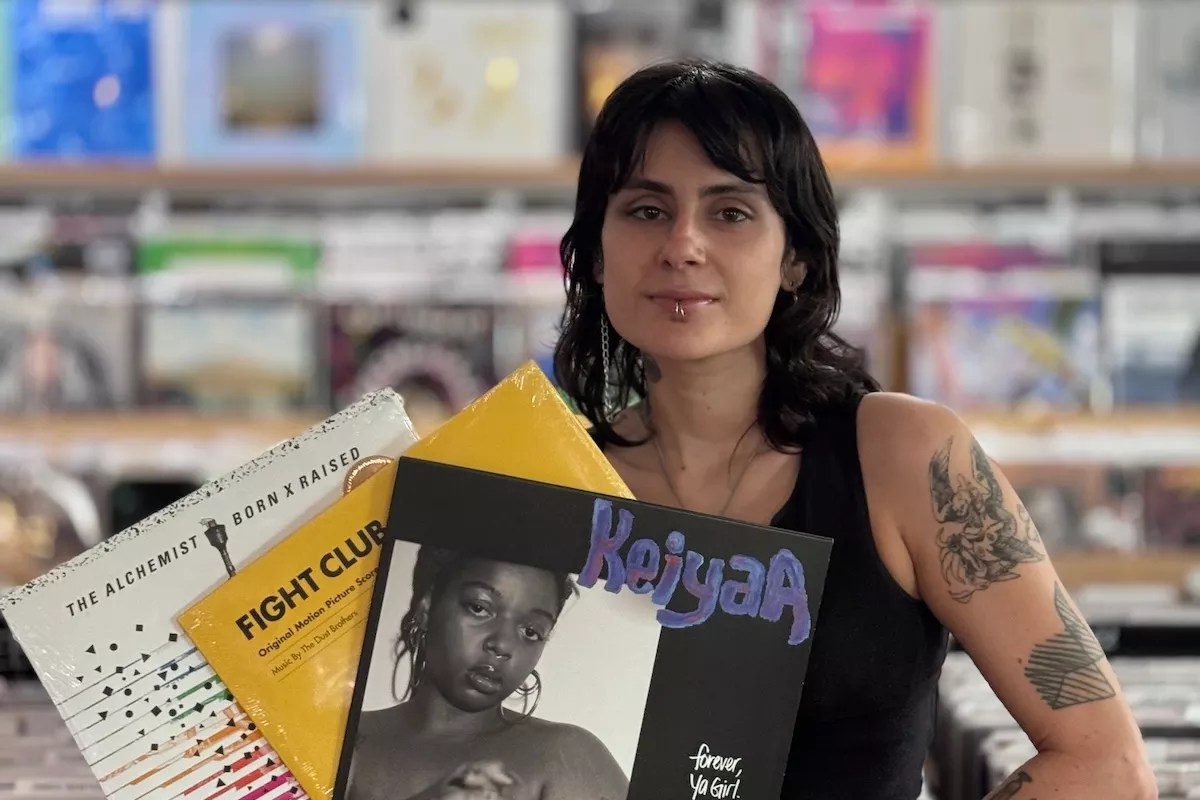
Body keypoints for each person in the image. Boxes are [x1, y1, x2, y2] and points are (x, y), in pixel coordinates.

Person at [553, 59, 1157, 800]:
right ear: (597, 250)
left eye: (730, 212)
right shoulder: (544, 487)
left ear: (795, 259)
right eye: (646, 210)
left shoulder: (906, 458)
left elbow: (1107, 765)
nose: (682, 244)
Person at [346, 546, 629, 800]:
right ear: (427, 607)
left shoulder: (566, 758)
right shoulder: (349, 740)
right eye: (479, 608)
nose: (503, 645)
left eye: (531, 632)